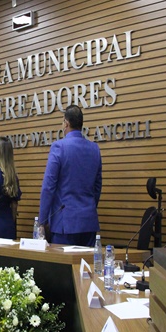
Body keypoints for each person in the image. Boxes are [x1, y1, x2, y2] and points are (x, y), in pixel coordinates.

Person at [39, 105, 102, 246]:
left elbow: (48, 187)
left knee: (63, 260)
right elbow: (97, 187)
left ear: (66, 123)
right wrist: (89, 208)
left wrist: (42, 221)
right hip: (88, 222)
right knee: (86, 261)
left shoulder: (58, 147)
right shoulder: (94, 149)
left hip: (65, 224)